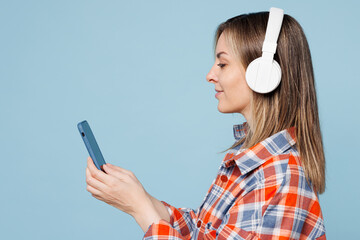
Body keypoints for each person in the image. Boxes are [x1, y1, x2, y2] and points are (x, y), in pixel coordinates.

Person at [85, 7, 326, 239]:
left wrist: (140, 209)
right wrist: (139, 197)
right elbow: (204, 231)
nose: (210, 75)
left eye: (222, 64)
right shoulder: (250, 162)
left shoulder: (279, 178)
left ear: (263, 75)